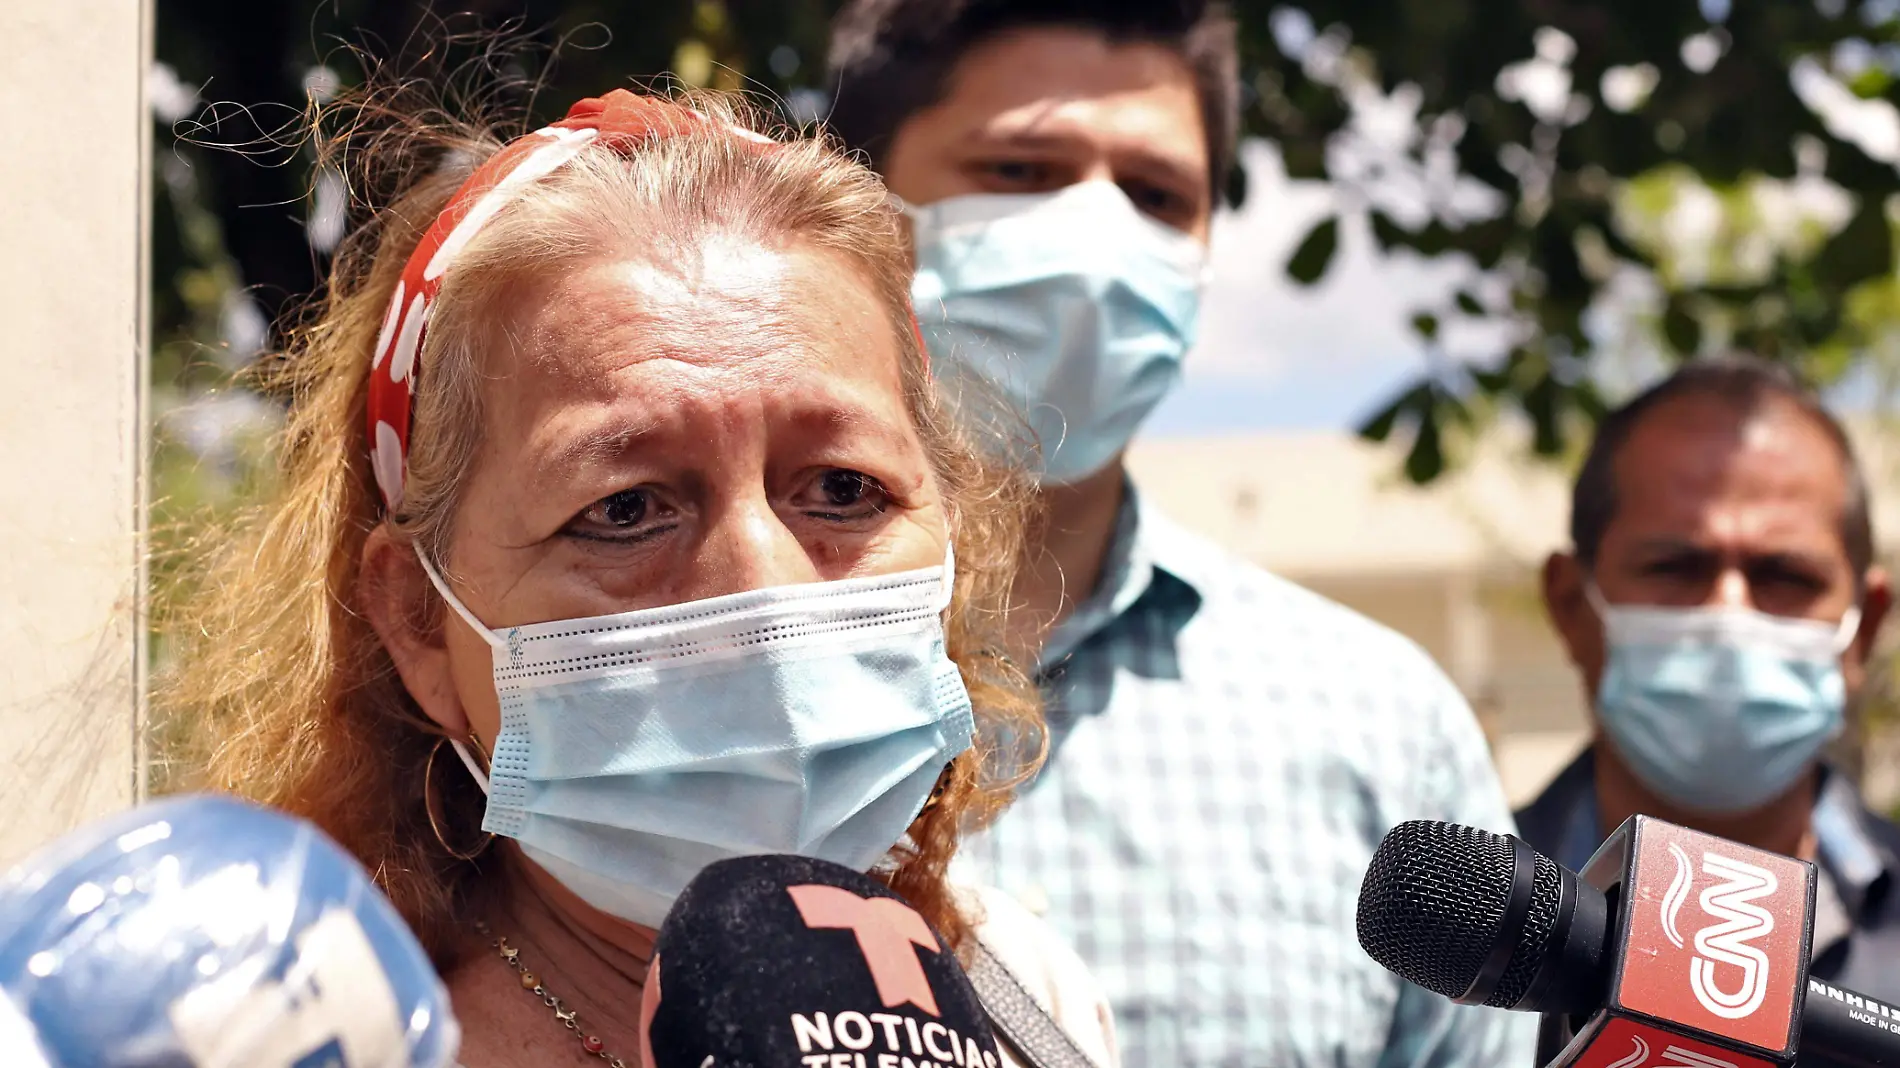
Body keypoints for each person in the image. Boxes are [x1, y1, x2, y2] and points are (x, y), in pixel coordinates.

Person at [159, 87, 1119, 1067]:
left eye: (843, 489)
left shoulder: (1020, 1000)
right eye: (623, 509)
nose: (765, 585)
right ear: (416, 619)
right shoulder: (282, 1045)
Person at [826, 3, 1536, 1066]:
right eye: (1023, 170)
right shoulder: (692, 669)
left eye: (1157, 196)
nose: (1101, 236)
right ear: (862, 205)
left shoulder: (1385, 725)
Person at [1521, 355, 1900, 999]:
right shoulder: (1454, 936)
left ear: (1862, 632)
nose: (1729, 614)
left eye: (1785, 576)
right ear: (1569, 605)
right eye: (1675, 566)